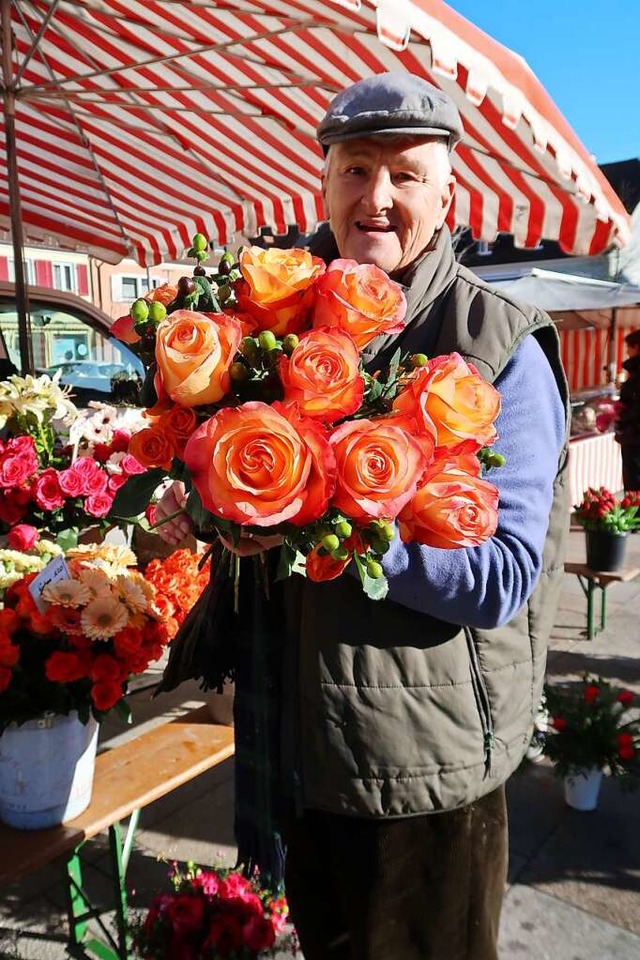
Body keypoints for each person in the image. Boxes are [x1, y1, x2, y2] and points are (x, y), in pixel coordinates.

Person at [156, 72, 570, 960]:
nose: (375, 198)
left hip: (419, 772)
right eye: (354, 170)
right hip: (291, 746)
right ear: (325, 182)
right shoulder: (275, 316)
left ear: (450, 189)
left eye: (406, 175)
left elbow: (503, 579)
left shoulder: (498, 343)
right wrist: (206, 508)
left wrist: (328, 524)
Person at [615, 329, 640, 490]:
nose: (626, 351)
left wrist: (620, 416)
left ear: (637, 347)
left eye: (629, 347)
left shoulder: (636, 373)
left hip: (634, 436)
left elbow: (635, 408)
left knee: (634, 482)